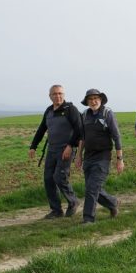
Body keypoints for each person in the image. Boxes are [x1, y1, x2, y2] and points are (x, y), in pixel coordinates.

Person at [29, 85, 82, 219]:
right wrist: (33, 146)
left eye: (60, 93)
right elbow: (42, 129)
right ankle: (56, 210)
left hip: (66, 149)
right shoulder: (48, 111)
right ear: (50, 96)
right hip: (51, 149)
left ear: (64, 95)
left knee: (59, 177)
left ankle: (73, 201)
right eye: (54, 94)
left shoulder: (71, 110)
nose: (58, 96)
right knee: (48, 179)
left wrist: (70, 146)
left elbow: (79, 129)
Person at [75, 89, 123, 224]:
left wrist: (120, 159)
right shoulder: (85, 115)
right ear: (87, 102)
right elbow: (82, 138)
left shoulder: (107, 113)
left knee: (91, 188)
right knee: (93, 188)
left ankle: (88, 219)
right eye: (90, 99)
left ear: (101, 100)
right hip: (88, 157)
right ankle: (113, 203)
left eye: (96, 98)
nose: (93, 101)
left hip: (103, 157)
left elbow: (116, 137)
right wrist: (79, 156)